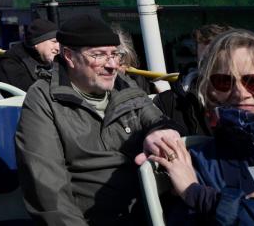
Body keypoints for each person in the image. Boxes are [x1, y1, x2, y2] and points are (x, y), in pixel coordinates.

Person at [15, 14, 182, 225]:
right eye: (99, 55)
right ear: (69, 56)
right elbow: (47, 188)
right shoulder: (44, 100)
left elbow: (155, 118)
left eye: (114, 54)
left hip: (152, 211)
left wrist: (161, 129)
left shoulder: (123, 85)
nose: (112, 65)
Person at [147, 29, 254, 225]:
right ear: (210, 90)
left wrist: (199, 195)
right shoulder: (197, 161)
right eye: (224, 81)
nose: (240, 93)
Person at [155, 24, 234, 136]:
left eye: (218, 61)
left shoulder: (248, 100)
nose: (210, 67)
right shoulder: (167, 102)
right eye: (205, 61)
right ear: (197, 58)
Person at [0, 18, 58, 94]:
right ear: (37, 43)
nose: (58, 48)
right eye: (54, 42)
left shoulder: (52, 60)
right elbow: (27, 97)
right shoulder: (10, 63)